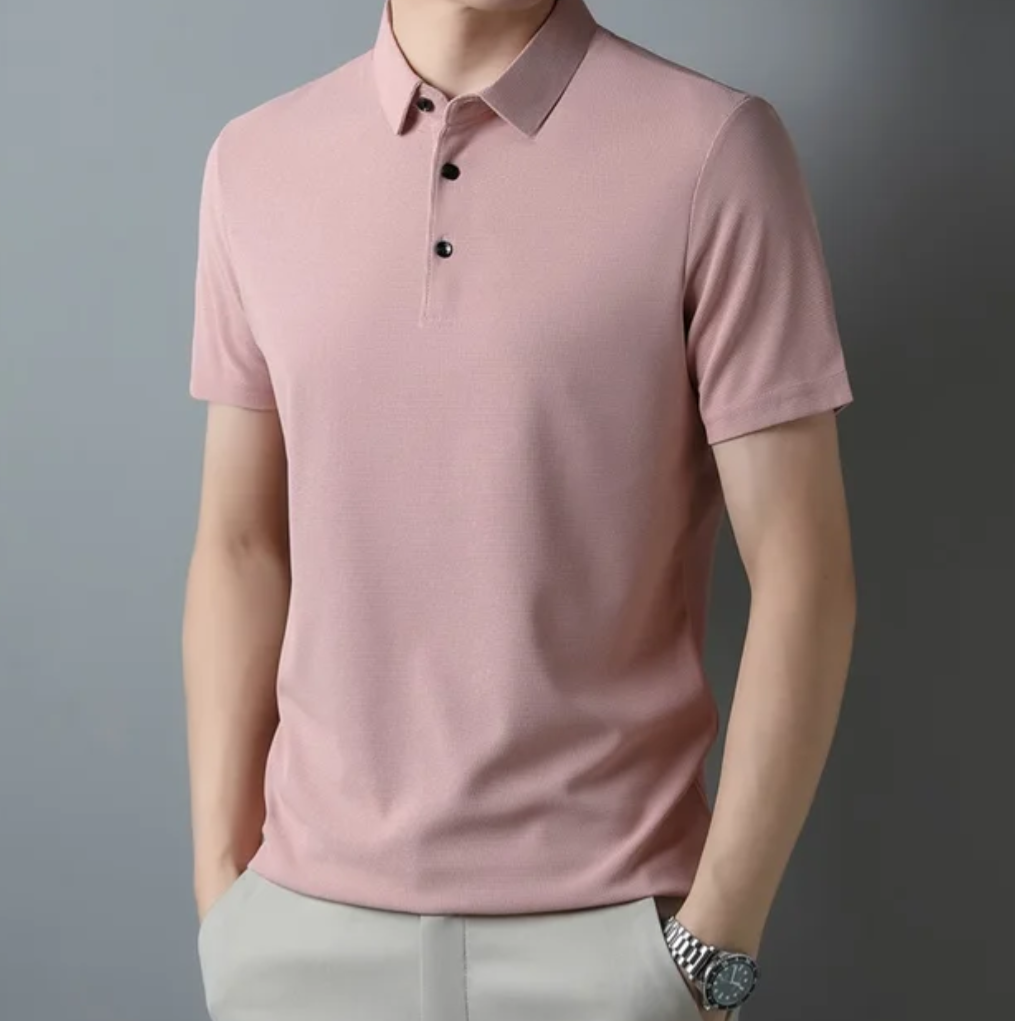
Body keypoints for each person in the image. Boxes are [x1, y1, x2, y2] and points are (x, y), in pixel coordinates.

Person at [181, 0, 857, 1018]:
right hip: (298, 941)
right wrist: (224, 896)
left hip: (606, 942)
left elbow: (804, 570)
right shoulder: (254, 162)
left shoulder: (713, 150)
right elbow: (240, 545)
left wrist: (714, 938)